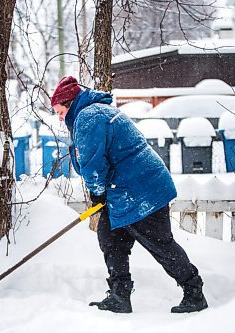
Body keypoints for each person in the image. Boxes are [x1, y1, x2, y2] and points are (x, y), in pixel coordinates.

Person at [50, 76, 208, 314]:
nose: (60, 118)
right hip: (126, 190)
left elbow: (93, 164)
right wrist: (103, 195)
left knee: (160, 245)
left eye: (60, 112)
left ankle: (194, 292)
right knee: (110, 238)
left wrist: (97, 193)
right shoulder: (94, 112)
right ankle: (119, 295)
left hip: (140, 191)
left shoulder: (88, 117)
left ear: (70, 103)